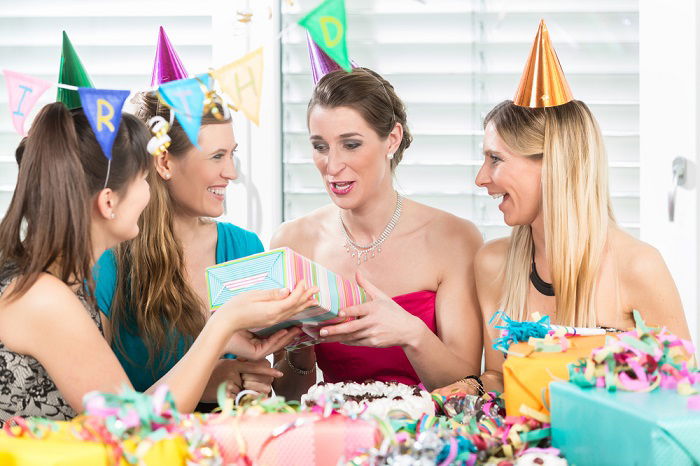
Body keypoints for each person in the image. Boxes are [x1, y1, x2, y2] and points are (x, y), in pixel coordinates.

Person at [0, 102, 313, 424]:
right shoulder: (44, 298)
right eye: (142, 180)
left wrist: (223, 336)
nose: (150, 194)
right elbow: (133, 425)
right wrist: (220, 326)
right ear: (108, 202)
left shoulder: (58, 285)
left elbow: (131, 411)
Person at [474, 21, 691, 393]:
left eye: (496, 159)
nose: (481, 178)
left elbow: (685, 388)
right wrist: (467, 387)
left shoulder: (638, 266)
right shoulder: (492, 263)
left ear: (553, 165)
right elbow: (499, 380)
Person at [271, 68, 484, 399]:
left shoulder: (454, 239)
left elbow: (469, 390)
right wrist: (299, 350)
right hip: (330, 435)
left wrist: (412, 334)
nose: (332, 164)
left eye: (351, 144)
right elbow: (287, 399)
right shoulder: (293, 242)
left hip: (428, 439)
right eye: (320, 146)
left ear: (392, 139)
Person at [93, 93, 297, 401]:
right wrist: (204, 381)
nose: (232, 172)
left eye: (232, 154)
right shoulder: (110, 259)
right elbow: (101, 412)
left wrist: (251, 385)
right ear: (164, 162)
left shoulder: (245, 247)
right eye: (217, 156)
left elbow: (260, 378)